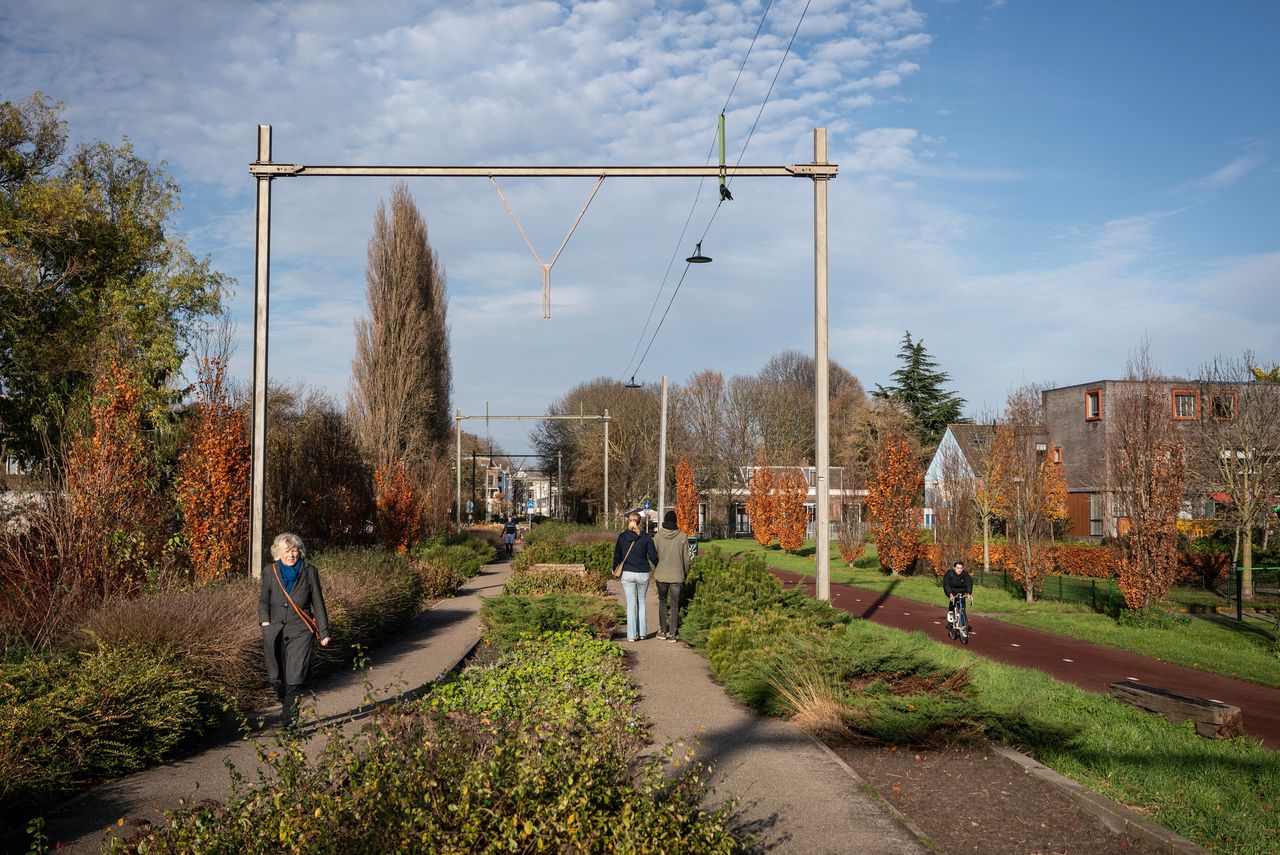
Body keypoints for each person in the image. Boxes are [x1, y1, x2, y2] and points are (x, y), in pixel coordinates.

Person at [259, 533, 331, 727]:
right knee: (277, 679)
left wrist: (324, 632)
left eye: (294, 550)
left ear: (300, 551)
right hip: (274, 632)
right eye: (287, 551)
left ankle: (289, 724)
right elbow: (264, 600)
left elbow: (318, 602)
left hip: (301, 631)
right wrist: (265, 624)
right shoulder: (269, 571)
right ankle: (287, 708)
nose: (291, 555)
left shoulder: (309, 571)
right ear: (278, 553)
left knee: (295, 678)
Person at [614, 510, 658, 642]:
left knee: (631, 604)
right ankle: (643, 633)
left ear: (629, 522)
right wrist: (658, 566)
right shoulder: (646, 537)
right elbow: (653, 556)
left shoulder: (622, 537)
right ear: (640, 523)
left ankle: (632, 635)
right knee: (642, 602)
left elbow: (617, 555)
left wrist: (614, 568)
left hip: (627, 573)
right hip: (643, 573)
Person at [653, 510, 690, 642]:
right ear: (675, 521)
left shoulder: (657, 537)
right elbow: (687, 559)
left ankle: (663, 631)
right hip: (677, 576)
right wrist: (685, 573)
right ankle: (673, 634)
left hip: (661, 575)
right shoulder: (683, 537)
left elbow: (652, 557)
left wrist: (655, 570)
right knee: (675, 605)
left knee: (662, 602)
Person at [942, 559, 974, 633]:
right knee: (953, 601)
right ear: (954, 568)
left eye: (961, 568)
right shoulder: (949, 573)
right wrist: (950, 594)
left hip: (961, 591)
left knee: (962, 607)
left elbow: (969, 583)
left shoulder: (965, 574)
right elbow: (946, 585)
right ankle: (950, 612)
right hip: (951, 590)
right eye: (957, 568)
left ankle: (962, 623)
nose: (959, 570)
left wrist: (968, 593)